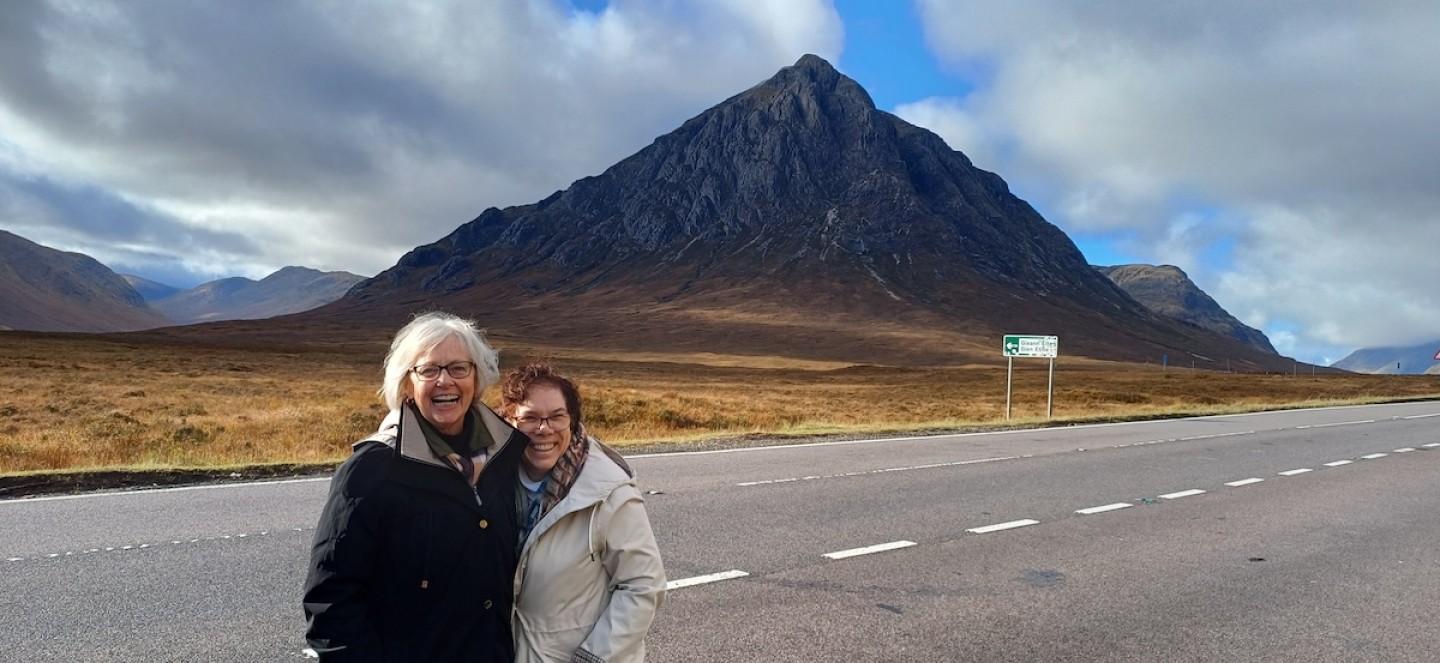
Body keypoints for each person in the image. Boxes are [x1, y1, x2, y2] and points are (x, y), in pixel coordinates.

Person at [303, 312, 527, 662]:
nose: (445, 381)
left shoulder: (505, 456)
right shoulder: (371, 469)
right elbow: (330, 601)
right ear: (406, 383)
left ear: (476, 377)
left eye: (458, 368)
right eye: (429, 370)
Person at [499, 363, 666, 663]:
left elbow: (643, 586)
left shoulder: (609, 492)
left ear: (572, 422)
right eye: (529, 418)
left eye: (556, 417)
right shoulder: (489, 483)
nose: (543, 429)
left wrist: (592, 658)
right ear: (508, 421)